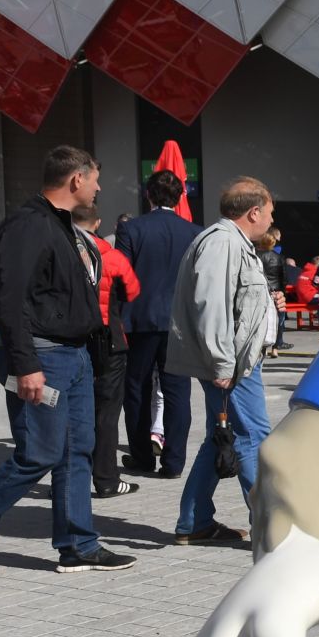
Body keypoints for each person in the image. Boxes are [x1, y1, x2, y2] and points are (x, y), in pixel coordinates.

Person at [0, 147, 135, 577]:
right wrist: (25, 364)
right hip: (42, 355)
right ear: (76, 180)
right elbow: (9, 299)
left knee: (77, 452)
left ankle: (79, 545)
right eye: (95, 179)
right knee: (37, 454)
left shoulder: (61, 226)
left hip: (73, 354)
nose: (99, 187)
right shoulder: (28, 225)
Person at [168, 177, 275, 544]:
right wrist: (221, 362)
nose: (270, 221)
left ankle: (194, 522)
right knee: (252, 436)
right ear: (254, 211)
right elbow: (209, 305)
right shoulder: (222, 242)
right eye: (269, 213)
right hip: (232, 365)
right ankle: (272, 527)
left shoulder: (232, 242)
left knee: (222, 437)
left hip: (234, 362)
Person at [116, 170, 199, 477]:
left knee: (136, 388)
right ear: (179, 198)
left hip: (140, 320)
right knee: (178, 392)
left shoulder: (131, 229)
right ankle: (174, 461)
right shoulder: (193, 232)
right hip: (179, 322)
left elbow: (121, 275)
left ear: (148, 195)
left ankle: (141, 456)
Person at [74, 205, 141, 499]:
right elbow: (133, 291)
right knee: (107, 414)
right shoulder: (112, 256)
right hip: (110, 341)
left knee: (71, 415)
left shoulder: (60, 252)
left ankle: (67, 482)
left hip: (71, 341)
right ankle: (107, 479)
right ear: (98, 223)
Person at [256, 228, 285, 358]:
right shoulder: (278, 257)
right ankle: (275, 348)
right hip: (275, 291)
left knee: (259, 319)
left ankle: (262, 346)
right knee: (278, 320)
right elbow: (283, 277)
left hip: (260, 291)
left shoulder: (254, 255)